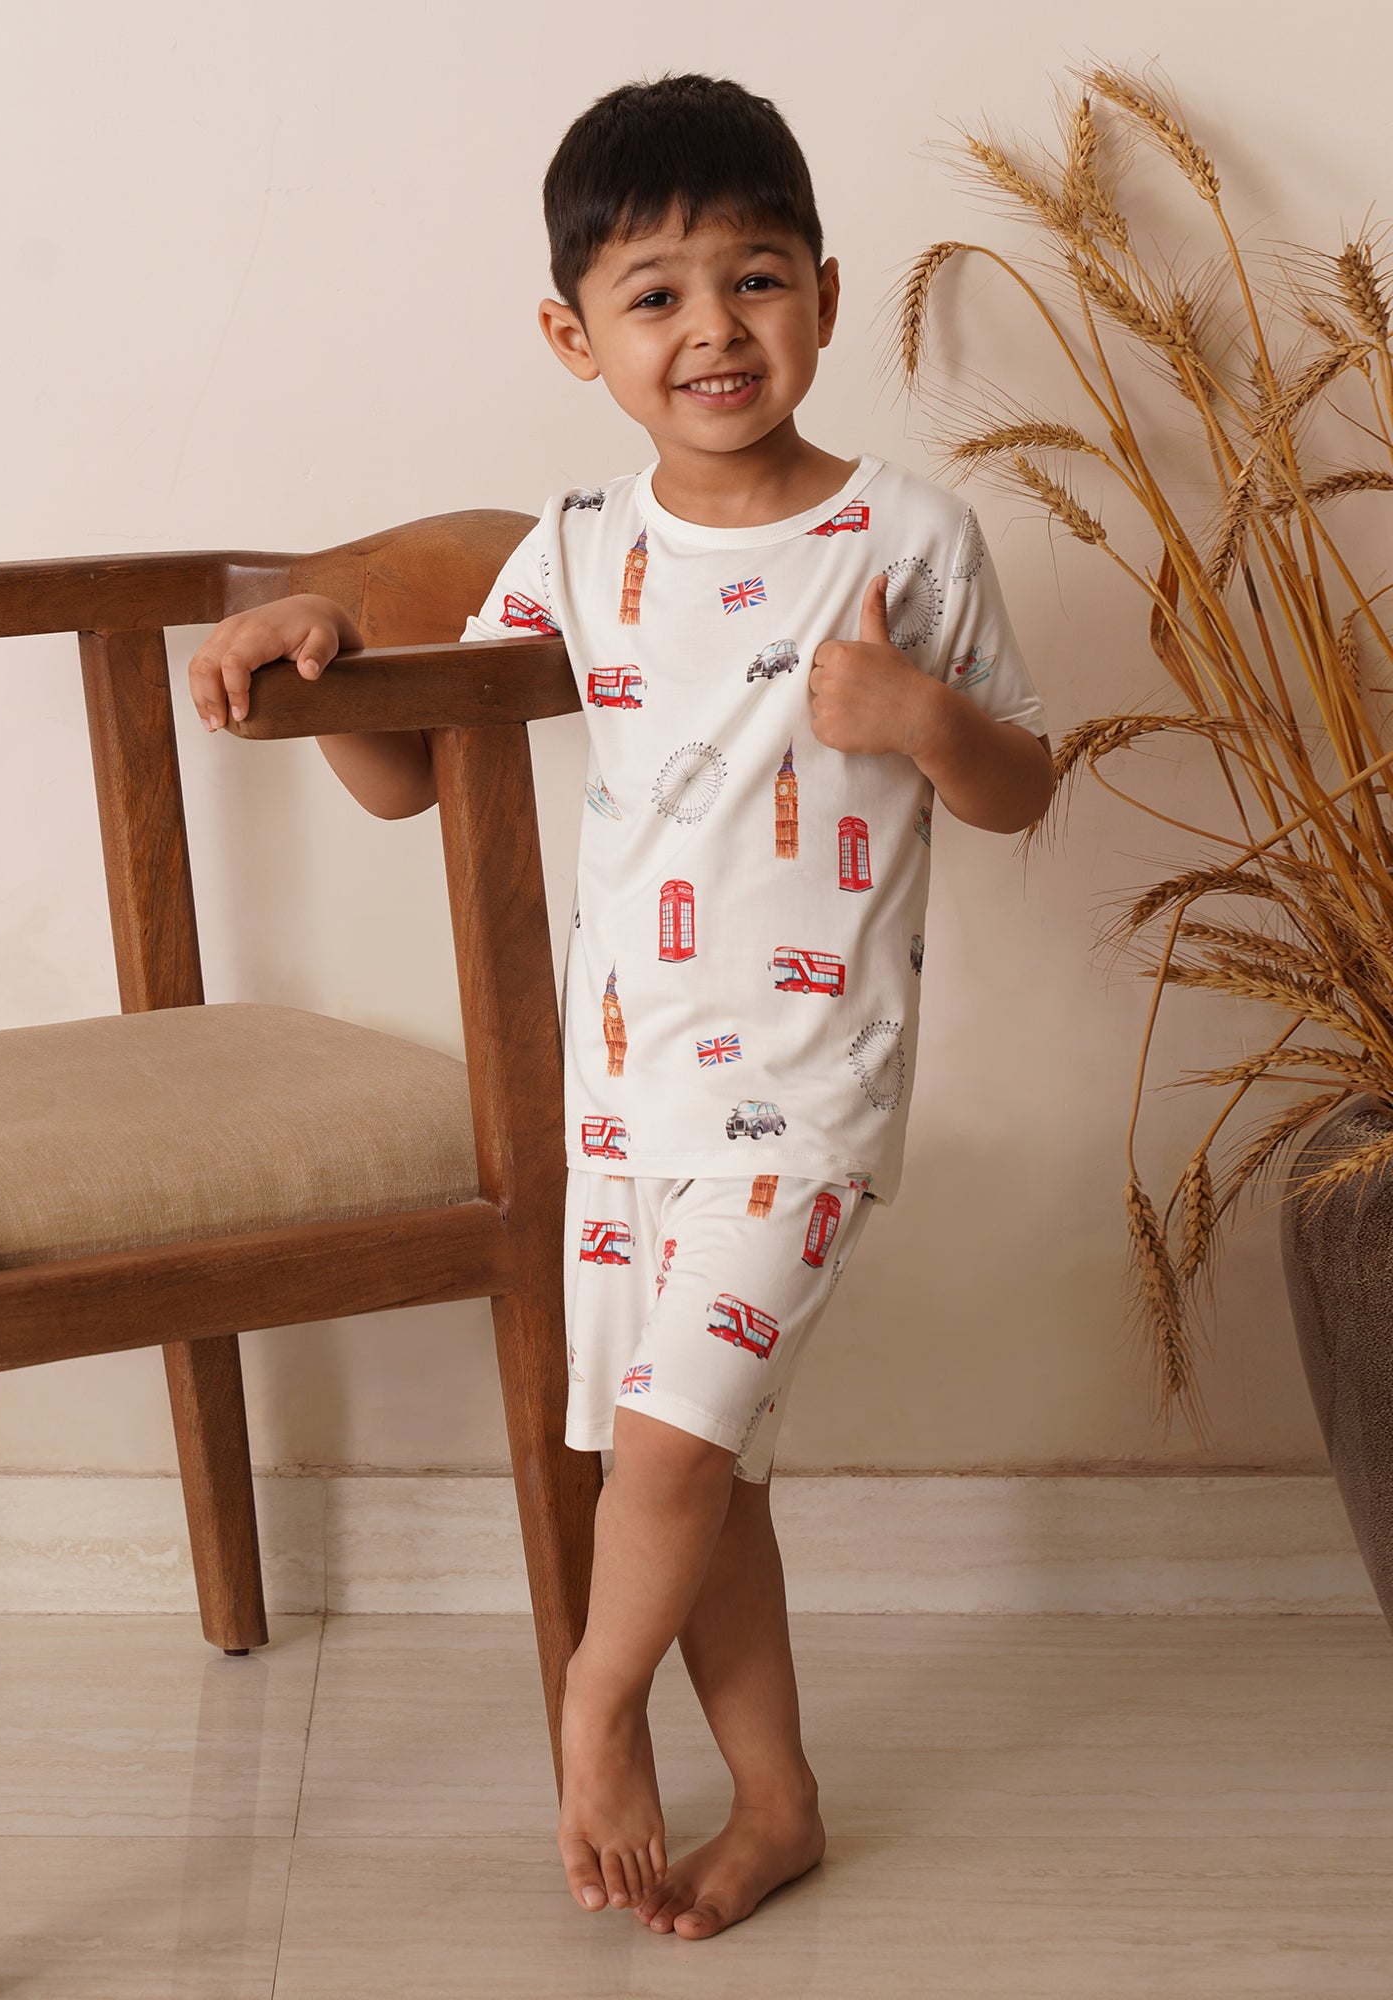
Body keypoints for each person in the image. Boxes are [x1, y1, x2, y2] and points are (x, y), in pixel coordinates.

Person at [183, 72, 1054, 1941]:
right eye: (657, 295)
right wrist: (324, 649)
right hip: (623, 1097)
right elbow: (418, 771)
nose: (715, 328)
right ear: (578, 338)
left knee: (660, 1450)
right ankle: (783, 1798)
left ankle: (590, 1707)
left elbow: (1021, 786)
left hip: (810, 1094)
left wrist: (925, 723)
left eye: (755, 279)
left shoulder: (910, 538)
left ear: (826, 290)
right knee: (704, 1465)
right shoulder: (580, 552)